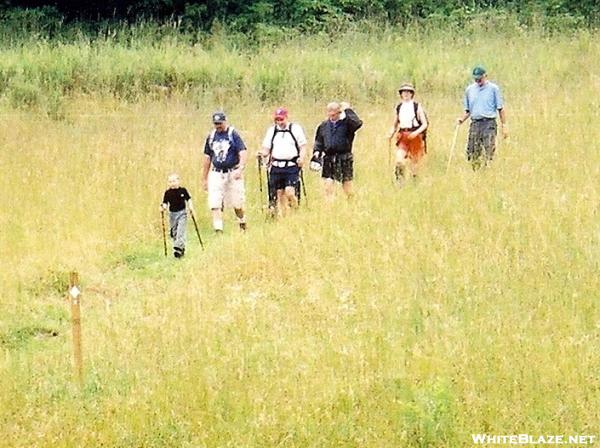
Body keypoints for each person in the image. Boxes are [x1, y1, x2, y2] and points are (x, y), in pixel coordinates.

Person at [202, 111, 248, 233]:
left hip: (232, 172)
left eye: (220, 123)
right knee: (215, 202)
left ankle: (242, 222)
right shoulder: (211, 137)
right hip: (216, 173)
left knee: (237, 203)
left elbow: (242, 152)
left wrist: (240, 168)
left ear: (225, 122)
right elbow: (207, 158)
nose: (218, 126)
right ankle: (218, 230)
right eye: (216, 123)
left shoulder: (233, 134)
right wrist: (205, 178)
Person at [258, 107, 307, 216]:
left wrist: (301, 158)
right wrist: (262, 154)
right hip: (276, 166)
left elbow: (302, 146)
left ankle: (296, 209)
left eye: (281, 119)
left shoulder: (295, 129)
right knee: (279, 194)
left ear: (286, 117)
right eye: (277, 120)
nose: (279, 122)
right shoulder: (272, 131)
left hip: (291, 165)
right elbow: (267, 148)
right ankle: (284, 216)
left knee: (290, 192)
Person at [457, 66, 508, 169]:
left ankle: (487, 170)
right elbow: (468, 111)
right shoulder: (469, 90)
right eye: (476, 79)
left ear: (485, 76)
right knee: (472, 151)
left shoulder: (494, 89)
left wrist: (504, 125)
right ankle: (475, 170)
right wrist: (461, 119)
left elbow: (500, 109)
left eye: (480, 78)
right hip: (475, 123)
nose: (478, 81)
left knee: (488, 148)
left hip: (489, 123)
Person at [311, 101, 362, 200]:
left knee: (347, 186)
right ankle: (329, 207)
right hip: (328, 158)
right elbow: (319, 141)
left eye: (334, 113)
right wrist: (317, 151)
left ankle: (352, 202)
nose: (331, 115)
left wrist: (348, 110)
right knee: (328, 185)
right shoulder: (323, 126)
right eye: (329, 113)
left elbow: (358, 124)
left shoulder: (347, 124)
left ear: (339, 112)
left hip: (344, 157)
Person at [388, 83, 428, 184]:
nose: (406, 94)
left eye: (408, 92)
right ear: (401, 94)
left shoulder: (417, 106)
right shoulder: (399, 107)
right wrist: (391, 133)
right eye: (404, 92)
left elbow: (424, 124)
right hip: (403, 136)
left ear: (411, 94)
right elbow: (395, 124)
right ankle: (399, 182)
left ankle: (415, 183)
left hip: (415, 136)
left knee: (414, 163)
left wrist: (416, 133)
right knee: (399, 160)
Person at [160, 173, 194, 258]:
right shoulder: (168, 193)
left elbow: (188, 199)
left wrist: (190, 207)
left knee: (180, 231)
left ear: (178, 181)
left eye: (174, 181)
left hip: (182, 213)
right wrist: (163, 208)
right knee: (174, 233)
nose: (172, 183)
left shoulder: (183, 190)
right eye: (170, 182)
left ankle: (178, 248)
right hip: (172, 215)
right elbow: (165, 203)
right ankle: (180, 249)